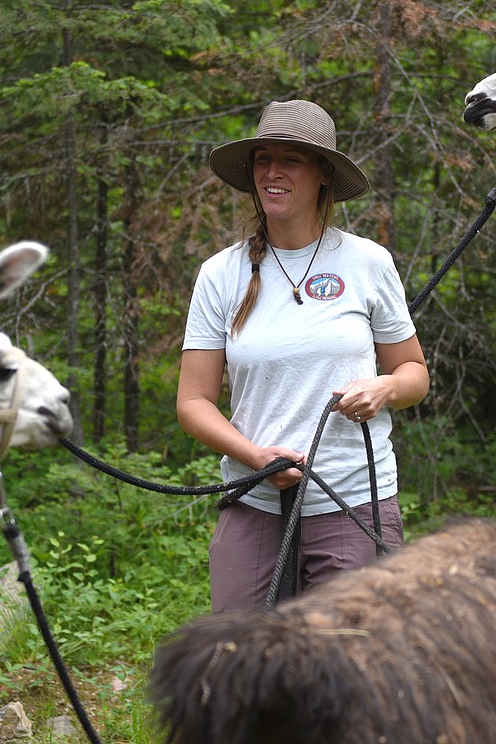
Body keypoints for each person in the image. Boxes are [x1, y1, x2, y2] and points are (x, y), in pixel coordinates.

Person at [178, 99, 430, 612]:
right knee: (241, 661)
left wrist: (383, 388)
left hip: (353, 499)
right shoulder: (220, 274)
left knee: (352, 664)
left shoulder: (366, 262)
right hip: (254, 499)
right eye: (263, 159)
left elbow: (414, 373)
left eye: (291, 158)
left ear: (322, 175)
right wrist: (254, 458)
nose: (273, 171)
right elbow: (193, 402)